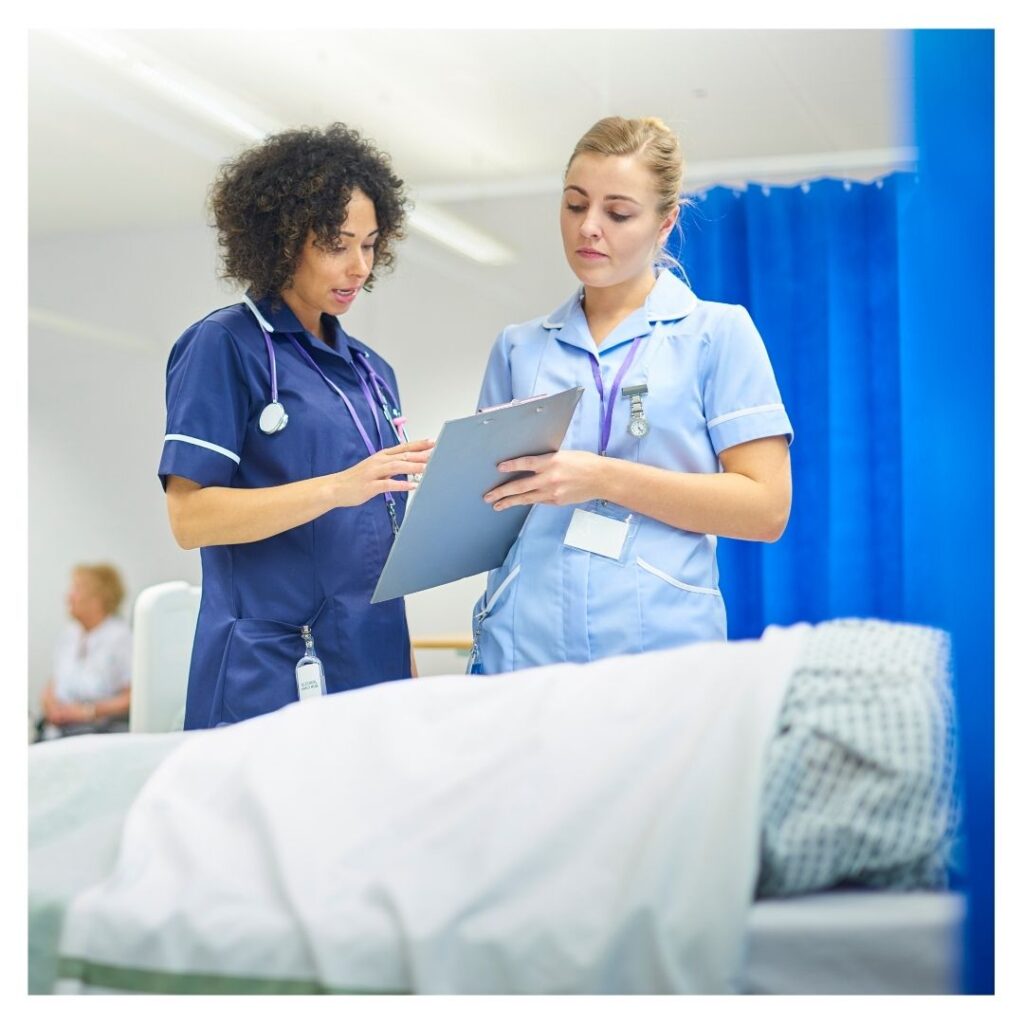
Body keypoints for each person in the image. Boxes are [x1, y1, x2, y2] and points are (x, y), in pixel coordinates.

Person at [469, 116, 793, 673]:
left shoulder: (716, 334)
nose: (589, 228)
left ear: (666, 223)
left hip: (661, 649)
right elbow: (487, 511)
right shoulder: (519, 349)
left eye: (618, 213)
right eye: (574, 205)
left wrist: (602, 477)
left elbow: (765, 510)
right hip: (524, 649)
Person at [160, 124, 432, 729]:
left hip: (374, 660)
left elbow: (375, 538)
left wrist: (402, 656)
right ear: (282, 240)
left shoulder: (371, 371)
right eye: (337, 244)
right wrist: (338, 487)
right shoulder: (224, 345)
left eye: (369, 244)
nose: (359, 266)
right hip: (274, 669)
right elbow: (190, 518)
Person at [37, 564, 132, 740]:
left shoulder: (121, 638)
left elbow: (133, 696)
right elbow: (54, 683)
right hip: (59, 732)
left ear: (98, 598)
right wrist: (51, 707)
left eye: (77, 589)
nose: (68, 597)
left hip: (99, 735)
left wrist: (88, 712)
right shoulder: (70, 634)